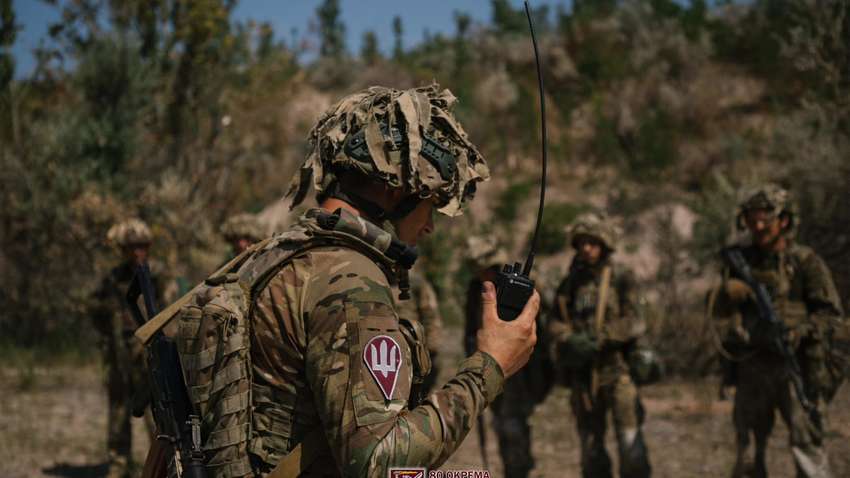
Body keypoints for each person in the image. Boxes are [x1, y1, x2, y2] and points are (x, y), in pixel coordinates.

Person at [160, 85, 540, 478]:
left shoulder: (274, 256)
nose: (429, 226)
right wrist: (489, 367)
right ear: (398, 188)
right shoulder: (349, 282)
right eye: (431, 203)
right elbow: (381, 462)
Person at [709, 183, 844, 478]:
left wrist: (800, 331)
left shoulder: (805, 262)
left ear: (783, 221)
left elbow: (831, 316)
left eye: (765, 219)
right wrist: (728, 294)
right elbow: (717, 314)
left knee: (806, 445)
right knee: (748, 448)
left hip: (795, 367)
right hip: (753, 366)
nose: (758, 226)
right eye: (752, 219)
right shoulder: (739, 261)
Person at [549, 212, 651, 478]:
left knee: (631, 449)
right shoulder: (570, 283)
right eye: (582, 242)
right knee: (591, 454)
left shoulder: (621, 277)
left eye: (592, 242)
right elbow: (555, 322)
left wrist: (600, 338)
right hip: (583, 379)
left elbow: (636, 321)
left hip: (618, 373)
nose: (586, 248)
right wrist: (570, 339)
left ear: (605, 244)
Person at [464, 235, 553, 478]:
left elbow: (542, 327)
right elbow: (470, 329)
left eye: (485, 270)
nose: (482, 276)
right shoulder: (476, 290)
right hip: (487, 368)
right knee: (501, 425)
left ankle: (519, 469)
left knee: (513, 425)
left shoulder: (517, 287)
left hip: (516, 370)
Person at [91, 218, 159, 478]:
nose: (138, 252)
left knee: (157, 411)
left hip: (149, 354)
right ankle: (119, 463)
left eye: (142, 246)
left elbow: (172, 311)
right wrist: (110, 323)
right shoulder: (113, 278)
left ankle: (161, 464)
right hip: (119, 353)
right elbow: (94, 308)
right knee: (119, 409)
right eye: (132, 247)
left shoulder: (157, 275)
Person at [394, 267, 444, 396]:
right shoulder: (374, 276)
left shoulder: (415, 281)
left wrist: (431, 350)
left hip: (412, 349)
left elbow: (430, 315)